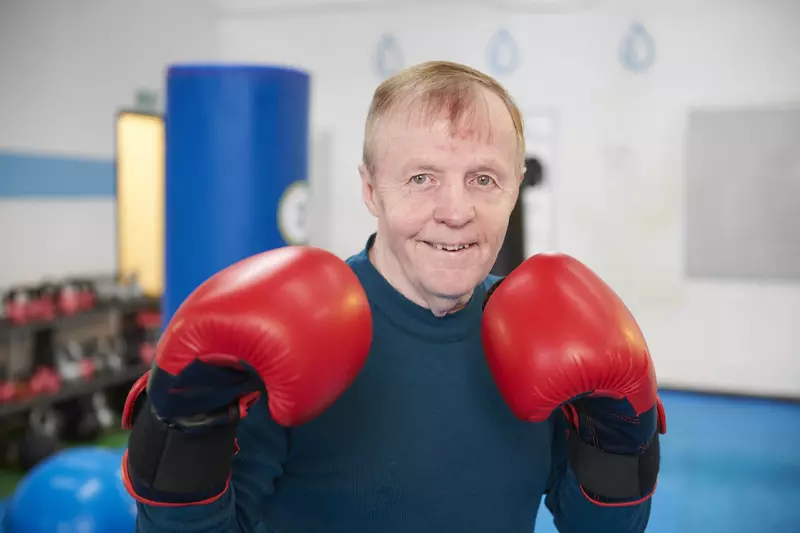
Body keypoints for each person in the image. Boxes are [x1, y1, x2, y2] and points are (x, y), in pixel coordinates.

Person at [121, 61, 666, 533]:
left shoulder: (539, 328)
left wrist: (618, 442)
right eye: (422, 177)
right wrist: (186, 432)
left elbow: (601, 526)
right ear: (370, 188)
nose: (456, 211)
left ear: (516, 187)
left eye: (483, 179)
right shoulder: (299, 330)